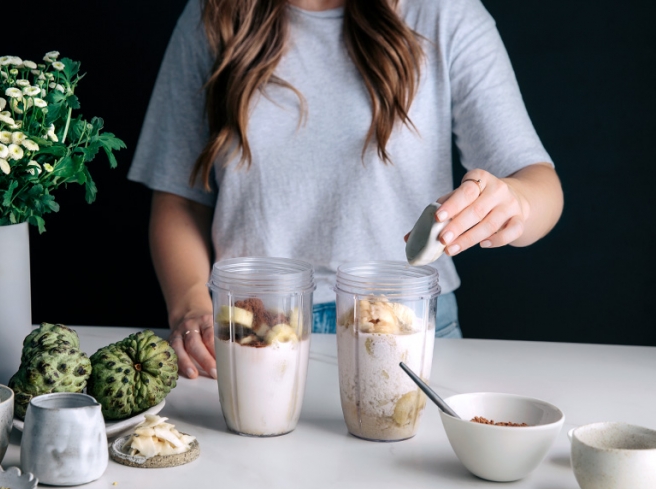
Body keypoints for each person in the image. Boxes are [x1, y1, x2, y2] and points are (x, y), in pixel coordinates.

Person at [128, 0, 564, 379]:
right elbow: (180, 200)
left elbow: (537, 181)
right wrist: (190, 305)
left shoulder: (445, 12)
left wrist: (515, 201)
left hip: (406, 327)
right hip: (247, 332)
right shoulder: (214, 14)